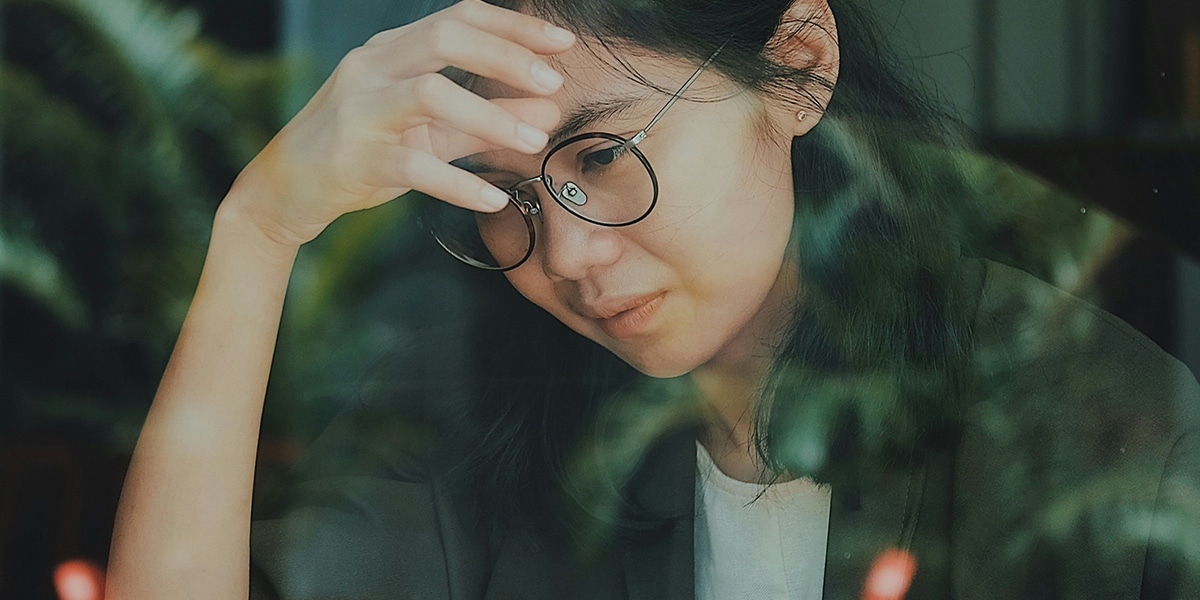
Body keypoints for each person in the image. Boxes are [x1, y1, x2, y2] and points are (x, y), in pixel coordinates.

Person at [104, 0, 1200, 598]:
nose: (567, 254)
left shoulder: (1094, 420)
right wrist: (258, 229)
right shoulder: (482, 418)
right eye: (504, 193)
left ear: (801, 67)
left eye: (608, 152)